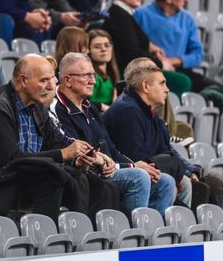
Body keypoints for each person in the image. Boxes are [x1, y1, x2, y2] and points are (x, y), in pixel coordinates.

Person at [0, 53, 119, 222]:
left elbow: (53, 145)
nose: (51, 86)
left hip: (28, 174)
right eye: (44, 80)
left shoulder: (38, 106)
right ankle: (44, 234)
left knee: (103, 187)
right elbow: (11, 159)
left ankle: (87, 234)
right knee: (53, 179)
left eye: (52, 79)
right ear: (23, 81)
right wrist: (63, 154)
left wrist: (76, 160)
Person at [49, 53, 175, 216]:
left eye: (93, 75)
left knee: (165, 181)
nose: (93, 81)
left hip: (109, 169)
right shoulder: (57, 108)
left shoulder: (89, 107)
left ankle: (151, 230)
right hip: (86, 174)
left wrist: (133, 164)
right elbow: (80, 154)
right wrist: (130, 167)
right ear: (67, 80)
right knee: (139, 177)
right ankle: (133, 230)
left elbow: (111, 149)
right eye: (86, 75)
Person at [104, 62, 204, 208]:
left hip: (146, 173)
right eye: (162, 83)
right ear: (146, 86)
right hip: (122, 176)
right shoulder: (128, 111)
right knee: (169, 182)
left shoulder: (149, 114)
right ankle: (148, 222)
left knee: (192, 183)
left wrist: (187, 170)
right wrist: (172, 166)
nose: (167, 89)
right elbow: (135, 160)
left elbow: (165, 150)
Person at [103, 0, 192, 97]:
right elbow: (132, 52)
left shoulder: (124, 14)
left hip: (134, 67)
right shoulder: (119, 15)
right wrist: (160, 64)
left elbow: (131, 42)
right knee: (181, 81)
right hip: (128, 71)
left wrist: (151, 47)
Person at [133, 0, 215, 92]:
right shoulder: (140, 15)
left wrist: (172, 61)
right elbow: (134, 49)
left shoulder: (188, 19)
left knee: (216, 90)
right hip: (151, 71)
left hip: (180, 70)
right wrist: (160, 62)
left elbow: (198, 55)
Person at [88, 29, 119, 111]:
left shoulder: (110, 74)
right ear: (88, 51)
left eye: (107, 45)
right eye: (97, 47)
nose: (103, 49)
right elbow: (85, 103)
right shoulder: (92, 77)